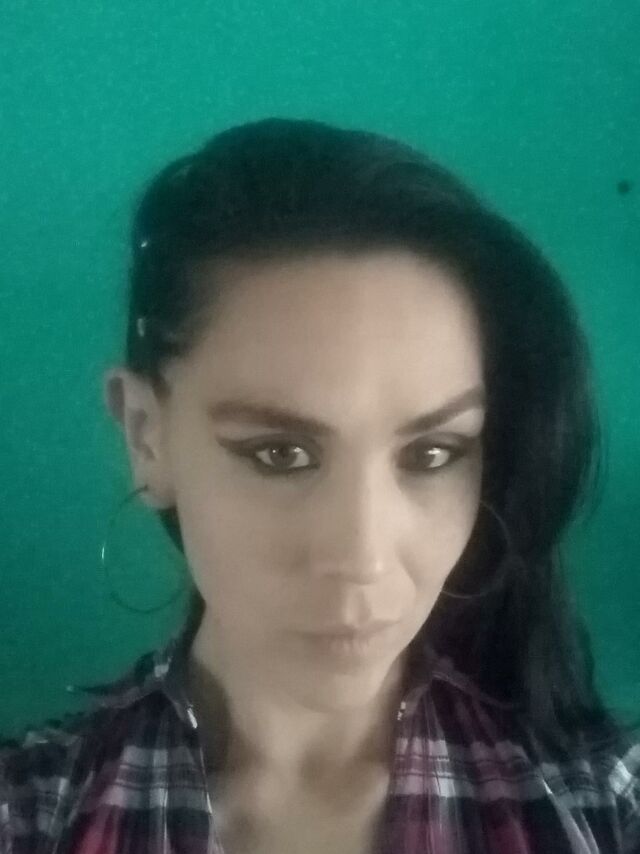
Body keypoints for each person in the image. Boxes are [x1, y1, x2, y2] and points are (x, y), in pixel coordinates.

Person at [1, 117, 639, 854]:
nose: (362, 558)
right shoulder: (31, 814)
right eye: (280, 454)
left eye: (433, 453)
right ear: (147, 436)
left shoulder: (602, 805)